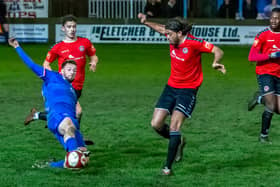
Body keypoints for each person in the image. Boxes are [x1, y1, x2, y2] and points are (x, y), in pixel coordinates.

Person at [138, 13, 226, 175]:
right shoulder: (170, 34)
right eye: (167, 34)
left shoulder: (194, 43)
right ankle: (179, 141)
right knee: (156, 124)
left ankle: (167, 167)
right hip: (171, 87)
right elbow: (159, 28)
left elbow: (217, 49)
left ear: (179, 33)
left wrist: (215, 62)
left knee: (174, 126)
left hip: (188, 90)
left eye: (170, 35)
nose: (167, 38)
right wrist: (145, 22)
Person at [8, 38, 89, 168]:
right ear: (62, 70)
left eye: (74, 70)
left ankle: (52, 165)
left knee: (83, 157)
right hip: (57, 117)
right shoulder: (52, 76)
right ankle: (71, 154)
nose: (72, 72)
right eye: (69, 69)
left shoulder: (72, 91)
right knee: (69, 127)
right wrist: (17, 47)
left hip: (69, 121)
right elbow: (32, 65)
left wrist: (78, 136)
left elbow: (77, 112)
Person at [24, 15, 98, 145]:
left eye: (74, 26)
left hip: (78, 86)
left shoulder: (84, 42)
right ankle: (75, 137)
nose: (72, 29)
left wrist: (93, 62)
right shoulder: (58, 47)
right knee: (77, 112)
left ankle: (36, 115)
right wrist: (55, 78)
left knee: (67, 113)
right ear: (63, 29)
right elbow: (46, 63)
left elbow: (93, 56)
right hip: (65, 86)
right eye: (69, 27)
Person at [248, 8, 280, 143]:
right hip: (264, 72)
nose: (274, 20)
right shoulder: (263, 35)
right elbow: (251, 56)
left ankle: (260, 99)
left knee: (278, 109)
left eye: (277, 18)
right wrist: (270, 55)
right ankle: (263, 136)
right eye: (272, 17)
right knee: (271, 105)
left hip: (278, 75)